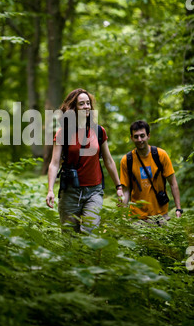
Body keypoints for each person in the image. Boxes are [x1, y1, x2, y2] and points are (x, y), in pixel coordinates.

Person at [46, 88, 123, 233]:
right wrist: (50, 189)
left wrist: (118, 186)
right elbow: (54, 163)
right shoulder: (63, 133)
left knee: (89, 232)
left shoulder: (99, 131)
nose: (86, 107)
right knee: (70, 237)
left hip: (94, 191)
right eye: (81, 104)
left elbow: (109, 161)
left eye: (88, 103)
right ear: (73, 108)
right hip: (70, 191)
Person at [120, 120, 182, 222]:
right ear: (131, 138)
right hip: (137, 218)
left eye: (142, 136)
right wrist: (122, 215)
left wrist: (178, 208)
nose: (140, 139)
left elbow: (173, 183)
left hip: (161, 215)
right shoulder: (126, 160)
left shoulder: (160, 155)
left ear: (148, 136)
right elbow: (125, 190)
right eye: (136, 136)